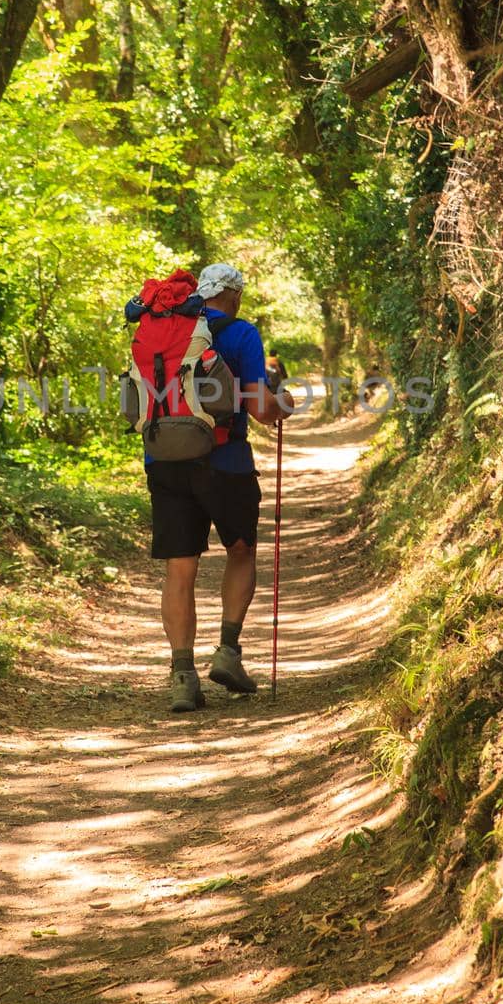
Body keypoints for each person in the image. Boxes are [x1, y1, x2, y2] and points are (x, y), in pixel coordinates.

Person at [145, 262, 295, 714]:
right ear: (233, 296)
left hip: (165, 459)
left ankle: (182, 677)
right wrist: (284, 405)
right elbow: (260, 409)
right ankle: (228, 651)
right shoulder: (241, 333)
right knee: (241, 550)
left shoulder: (163, 328)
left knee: (180, 569)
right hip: (225, 461)